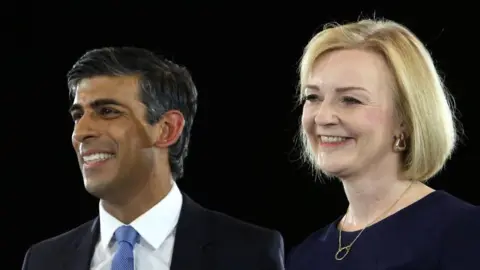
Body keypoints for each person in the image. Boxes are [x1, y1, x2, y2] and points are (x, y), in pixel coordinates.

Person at [22, 47, 285, 270]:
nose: (80, 133)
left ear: (167, 129)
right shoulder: (44, 260)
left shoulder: (248, 253)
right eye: (78, 115)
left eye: (108, 111)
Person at [286, 19, 480, 269]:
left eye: (350, 100)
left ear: (406, 120)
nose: (322, 117)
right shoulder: (303, 256)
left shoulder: (465, 233)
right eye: (313, 97)